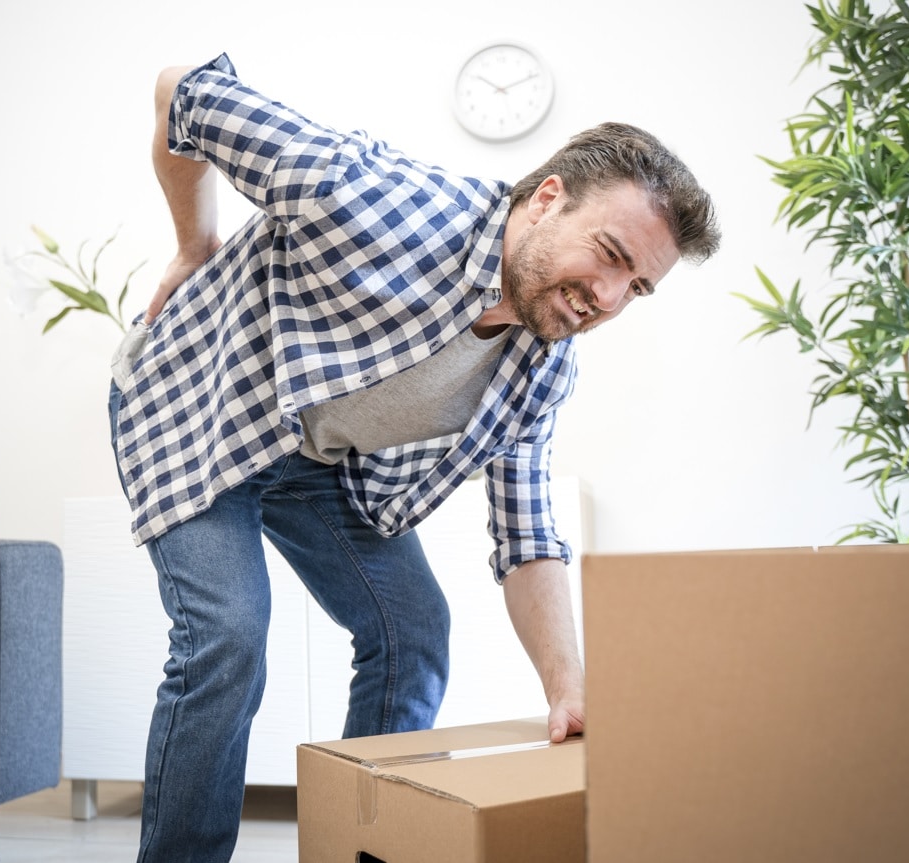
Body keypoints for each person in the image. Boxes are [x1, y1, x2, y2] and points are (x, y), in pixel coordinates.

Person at [108, 52, 719, 862]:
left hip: (316, 458)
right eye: (609, 253)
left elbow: (527, 536)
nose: (607, 298)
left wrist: (568, 688)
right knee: (229, 635)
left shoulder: (541, 364)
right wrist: (197, 241)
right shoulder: (371, 197)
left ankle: (361, 846)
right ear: (546, 200)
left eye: (635, 286)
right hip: (199, 406)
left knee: (415, 632)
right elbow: (182, 87)